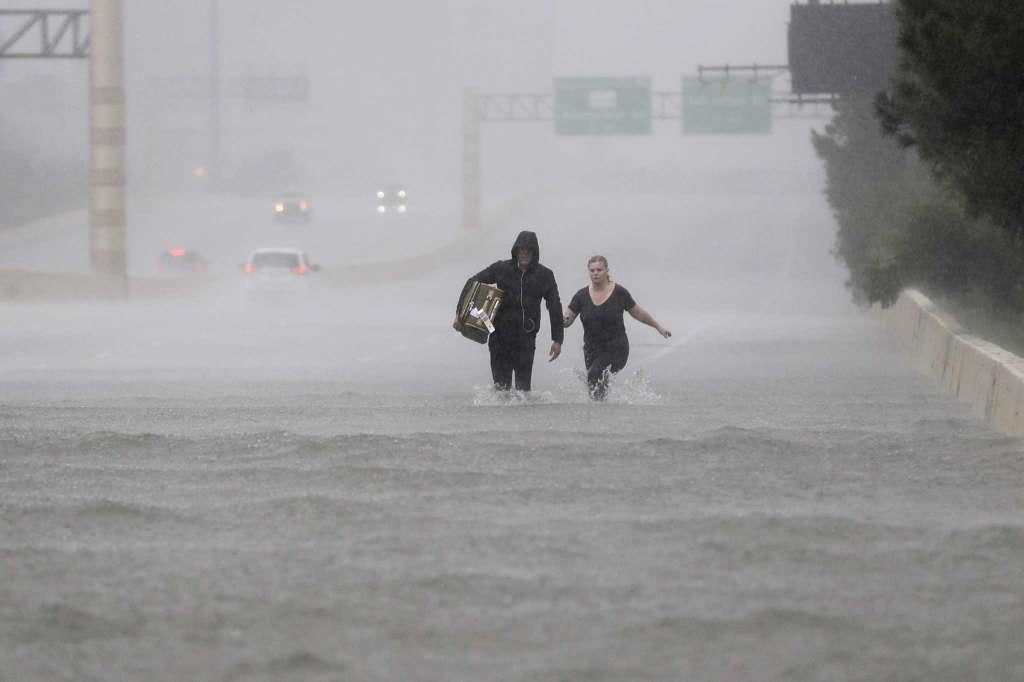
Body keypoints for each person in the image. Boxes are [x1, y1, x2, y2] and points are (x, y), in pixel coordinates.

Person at [453, 230, 563, 392]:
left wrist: (557, 339)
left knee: (523, 390)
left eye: (528, 250)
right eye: (521, 250)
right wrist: (460, 312)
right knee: (501, 390)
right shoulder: (502, 268)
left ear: (535, 252)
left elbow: (554, 306)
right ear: (516, 250)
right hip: (499, 336)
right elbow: (473, 281)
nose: (524, 254)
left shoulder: (545, 275)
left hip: (526, 339)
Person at [563, 255, 671, 400]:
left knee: (595, 375)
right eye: (592, 270)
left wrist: (658, 327)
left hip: (616, 348)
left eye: (599, 270)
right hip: (592, 350)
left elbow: (637, 312)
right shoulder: (581, 296)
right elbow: (567, 319)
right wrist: (562, 320)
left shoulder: (619, 293)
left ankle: (598, 412)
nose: (595, 273)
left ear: (607, 271)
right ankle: (604, 412)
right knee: (595, 382)